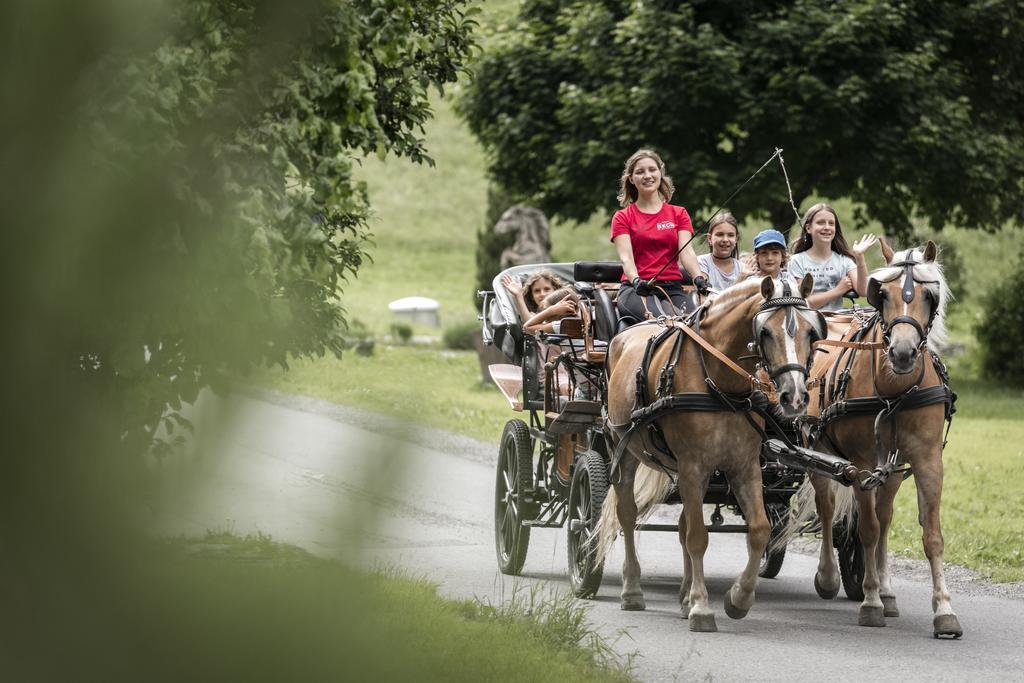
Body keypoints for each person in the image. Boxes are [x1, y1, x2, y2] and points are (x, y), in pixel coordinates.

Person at [610, 149, 709, 322]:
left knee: (694, 324)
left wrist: (698, 277)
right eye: (640, 172)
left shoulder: (679, 213)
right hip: (637, 289)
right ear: (632, 179)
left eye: (652, 170)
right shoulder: (622, 217)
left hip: (673, 288)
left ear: (660, 174)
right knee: (663, 323)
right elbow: (626, 258)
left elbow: (687, 253)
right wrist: (636, 280)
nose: (647, 175)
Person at [788, 203, 878, 311]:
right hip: (807, 323)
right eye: (820, 223)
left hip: (837, 323)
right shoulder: (797, 261)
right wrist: (838, 290)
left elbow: (863, 291)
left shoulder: (844, 261)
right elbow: (804, 303)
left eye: (831, 223)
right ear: (808, 228)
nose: (827, 227)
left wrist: (859, 256)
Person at [697, 211, 741, 291]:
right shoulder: (702, 262)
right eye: (720, 234)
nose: (725, 239)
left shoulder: (742, 268)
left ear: (736, 239)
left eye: (730, 235)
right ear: (709, 238)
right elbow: (704, 293)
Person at [501, 269, 567, 323]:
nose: (542, 294)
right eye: (537, 291)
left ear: (555, 291)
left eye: (547, 289)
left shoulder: (566, 307)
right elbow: (529, 324)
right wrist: (519, 295)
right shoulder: (532, 315)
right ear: (532, 296)